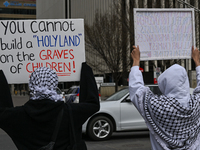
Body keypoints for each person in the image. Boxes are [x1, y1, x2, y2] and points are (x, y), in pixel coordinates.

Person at [0, 62, 100, 150]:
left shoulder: (17, 116)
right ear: (55, 83)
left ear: (31, 85)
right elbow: (92, 104)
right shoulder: (71, 112)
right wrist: (86, 70)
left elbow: (2, 111)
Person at [129, 45, 200, 150]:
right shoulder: (196, 105)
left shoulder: (157, 107)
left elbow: (137, 90)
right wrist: (197, 62)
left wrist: (136, 62)